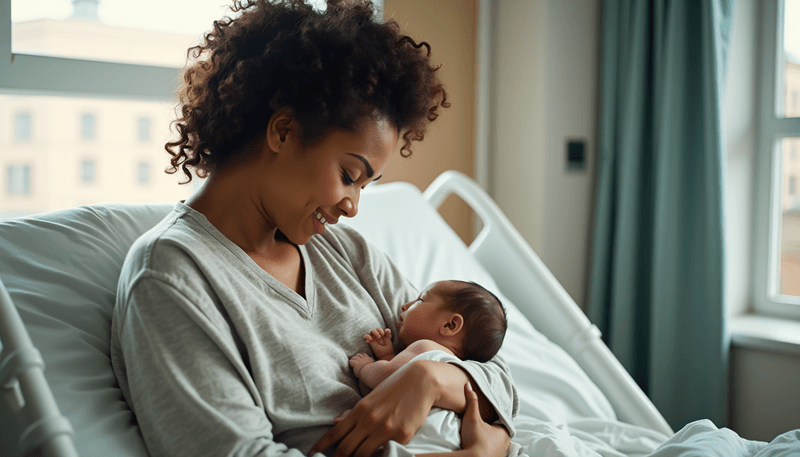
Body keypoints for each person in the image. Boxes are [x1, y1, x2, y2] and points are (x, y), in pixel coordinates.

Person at [109, 1, 518, 456]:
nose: (353, 206)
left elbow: (493, 370)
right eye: (349, 175)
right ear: (283, 131)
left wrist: (433, 377)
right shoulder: (173, 276)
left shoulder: (345, 254)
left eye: (366, 185)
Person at [348, 280, 508, 453]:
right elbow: (397, 382)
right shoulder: (455, 367)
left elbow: (385, 379)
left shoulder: (425, 347)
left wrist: (367, 367)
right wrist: (387, 357)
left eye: (420, 300)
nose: (405, 306)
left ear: (450, 325)